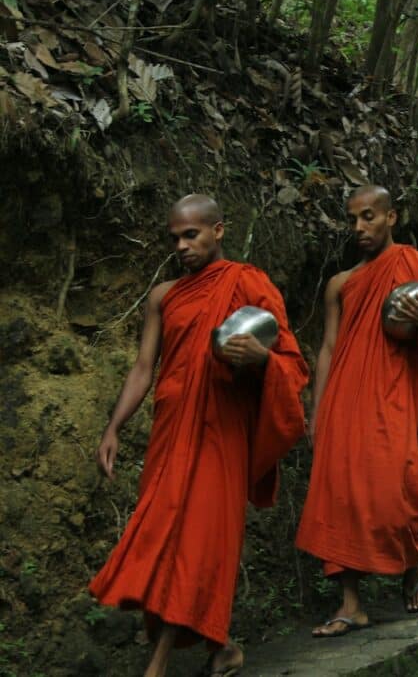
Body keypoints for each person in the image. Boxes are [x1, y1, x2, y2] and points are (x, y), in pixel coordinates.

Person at [89, 195, 309, 677]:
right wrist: (113, 427)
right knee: (164, 536)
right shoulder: (163, 295)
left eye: (192, 235)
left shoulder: (249, 283)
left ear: (219, 231)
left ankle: (158, 664)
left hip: (222, 430)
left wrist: (262, 360)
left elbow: (291, 364)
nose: (182, 246)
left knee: (200, 540)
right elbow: (144, 368)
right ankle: (223, 647)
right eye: (174, 238)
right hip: (171, 432)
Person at [295, 186, 418, 636]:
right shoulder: (341, 283)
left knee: (396, 487)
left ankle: (413, 560)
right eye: (353, 220)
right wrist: (318, 408)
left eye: (369, 217)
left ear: (392, 217)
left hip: (393, 394)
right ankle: (351, 604)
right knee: (339, 497)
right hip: (344, 398)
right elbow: (328, 347)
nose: (359, 228)